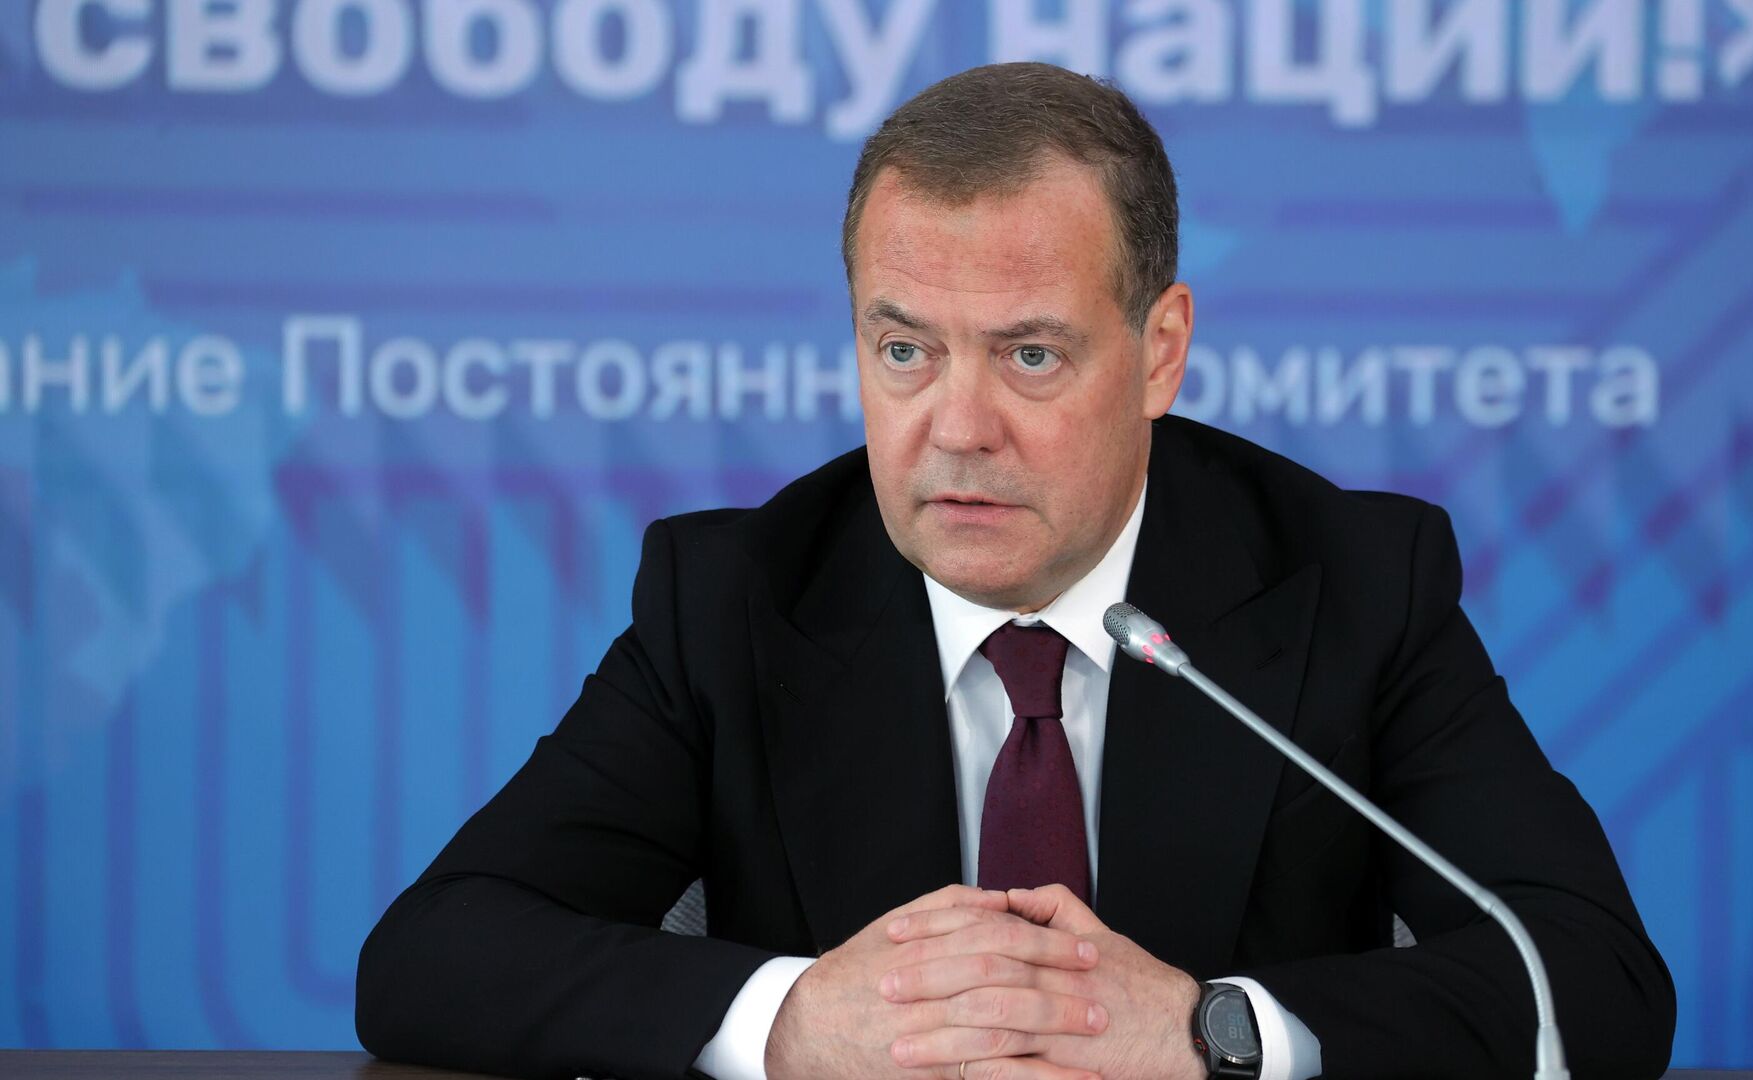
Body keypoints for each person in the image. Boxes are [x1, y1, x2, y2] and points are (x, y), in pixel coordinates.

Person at [355, 62, 1676, 1080]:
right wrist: (795, 1020)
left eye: (1030, 355)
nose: (957, 428)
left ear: (1160, 352)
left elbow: (1593, 979)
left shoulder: (1351, 583)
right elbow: (432, 955)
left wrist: (1212, 1031)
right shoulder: (736, 600)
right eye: (905, 351)